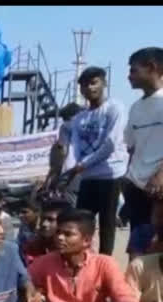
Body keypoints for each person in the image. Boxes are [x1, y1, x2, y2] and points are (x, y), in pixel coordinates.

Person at [58, 67, 129, 256]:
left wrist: (83, 164)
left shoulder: (115, 108)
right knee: (82, 222)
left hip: (109, 174)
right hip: (88, 177)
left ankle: (106, 264)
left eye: (93, 82)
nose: (89, 88)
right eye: (84, 85)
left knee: (107, 224)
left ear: (104, 84)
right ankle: (83, 260)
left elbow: (111, 143)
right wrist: (69, 170)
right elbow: (73, 147)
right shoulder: (80, 118)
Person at [123, 47, 163, 231]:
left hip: (159, 190)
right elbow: (132, 147)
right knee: (138, 251)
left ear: (152, 67)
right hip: (136, 188)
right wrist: (128, 180)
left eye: (133, 70)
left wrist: (159, 176)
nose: (129, 76)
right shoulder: (135, 108)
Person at [21, 199, 71, 266]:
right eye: (43, 219)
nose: (44, 224)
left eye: (51, 220)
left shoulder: (73, 251)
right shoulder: (32, 247)